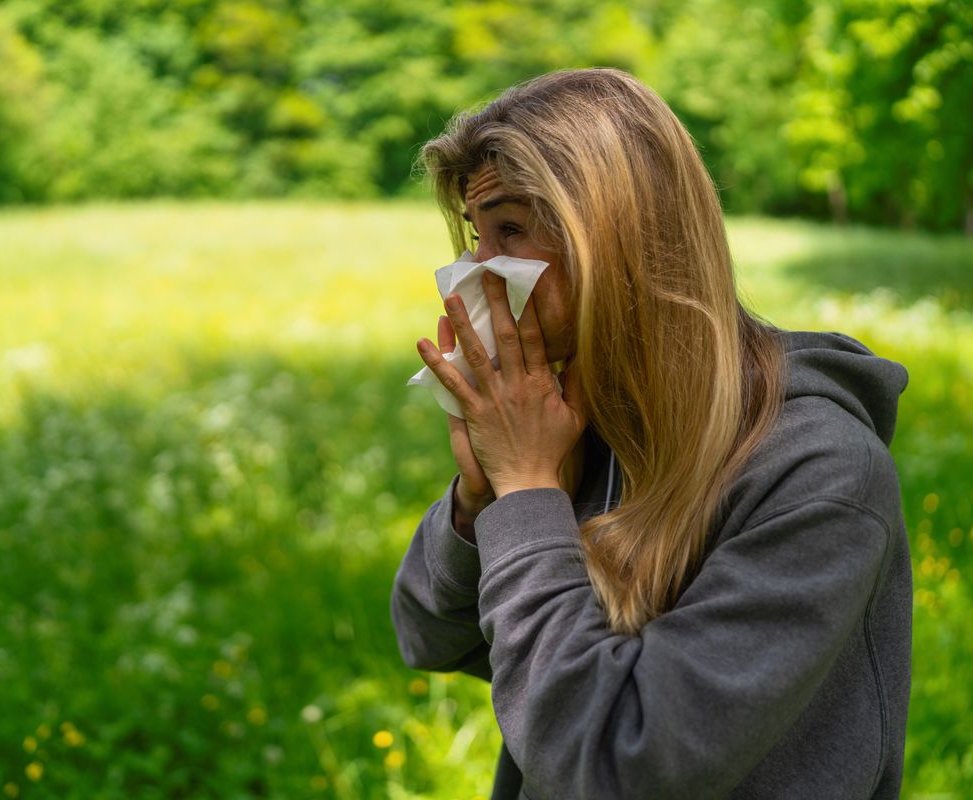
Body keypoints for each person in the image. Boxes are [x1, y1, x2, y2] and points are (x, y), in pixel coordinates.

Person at [390, 68, 911, 799]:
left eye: (511, 230)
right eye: (478, 236)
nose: (473, 274)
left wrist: (530, 495)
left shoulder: (816, 469)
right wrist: (484, 504)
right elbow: (431, 638)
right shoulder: (579, 420)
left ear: (614, 235)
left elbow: (622, 763)